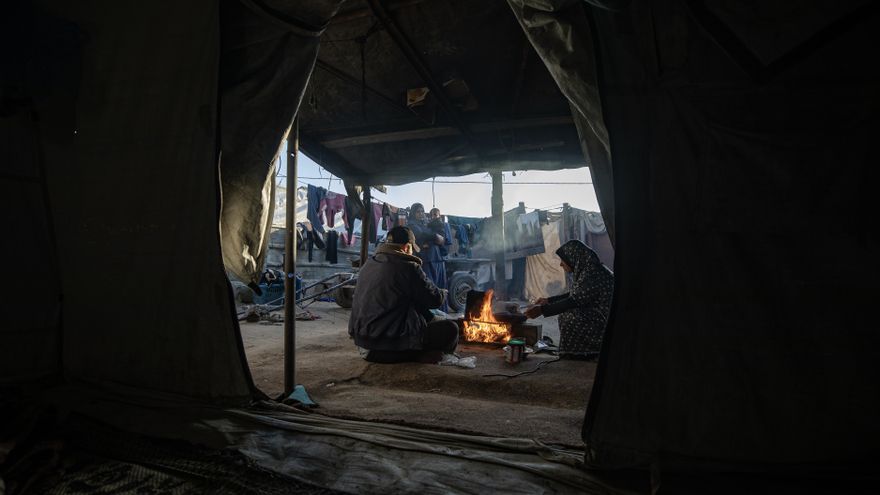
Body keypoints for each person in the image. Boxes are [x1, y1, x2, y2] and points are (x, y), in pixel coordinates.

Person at [348, 226, 460, 363]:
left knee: (411, 301)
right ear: (407, 247)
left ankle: (421, 353)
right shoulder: (407, 266)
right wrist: (442, 293)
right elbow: (434, 300)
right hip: (388, 347)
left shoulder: (369, 264)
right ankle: (424, 355)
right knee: (451, 329)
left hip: (364, 344)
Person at [524, 240, 613, 359]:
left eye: (562, 260)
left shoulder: (592, 274)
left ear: (574, 258)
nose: (561, 264)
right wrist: (548, 301)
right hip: (599, 312)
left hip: (605, 319)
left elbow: (573, 301)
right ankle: (576, 351)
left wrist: (542, 310)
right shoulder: (588, 270)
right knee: (568, 313)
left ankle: (583, 353)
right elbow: (575, 294)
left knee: (569, 316)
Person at [407, 203, 448, 310]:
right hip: (426, 260)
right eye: (418, 211)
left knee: (441, 287)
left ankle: (443, 314)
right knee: (430, 288)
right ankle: (433, 316)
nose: (421, 214)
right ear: (413, 213)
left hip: (438, 259)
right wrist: (435, 236)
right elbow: (420, 235)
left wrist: (433, 239)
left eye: (422, 211)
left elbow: (441, 238)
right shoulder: (411, 224)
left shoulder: (427, 224)